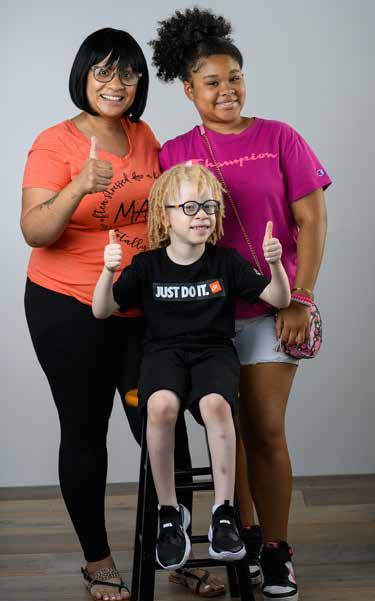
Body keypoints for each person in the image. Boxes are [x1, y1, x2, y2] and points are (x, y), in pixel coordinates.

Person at [149, 8, 332, 601]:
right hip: (204, 319)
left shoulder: (280, 137)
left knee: (264, 428)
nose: (226, 90)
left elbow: (312, 220)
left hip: (273, 310)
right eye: (212, 81)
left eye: (235, 78)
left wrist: (301, 297)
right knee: (228, 431)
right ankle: (246, 538)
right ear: (189, 89)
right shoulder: (175, 152)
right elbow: (162, 232)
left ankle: (277, 550)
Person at [93, 162, 291, 572]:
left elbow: (278, 299)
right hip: (163, 354)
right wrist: (108, 272)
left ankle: (224, 512)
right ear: (164, 215)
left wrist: (275, 264)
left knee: (216, 405)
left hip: (213, 353)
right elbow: (103, 309)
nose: (202, 215)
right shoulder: (147, 265)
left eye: (209, 206)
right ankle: (170, 513)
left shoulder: (226, 262)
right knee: (160, 406)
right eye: (189, 207)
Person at [21, 27, 159, 601]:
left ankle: (171, 554)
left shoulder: (143, 135)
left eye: (127, 72)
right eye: (103, 70)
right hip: (67, 307)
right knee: (85, 431)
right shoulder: (54, 143)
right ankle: (98, 561)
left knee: (159, 424)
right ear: (83, 75)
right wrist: (79, 185)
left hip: (138, 306)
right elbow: (35, 230)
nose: (115, 83)